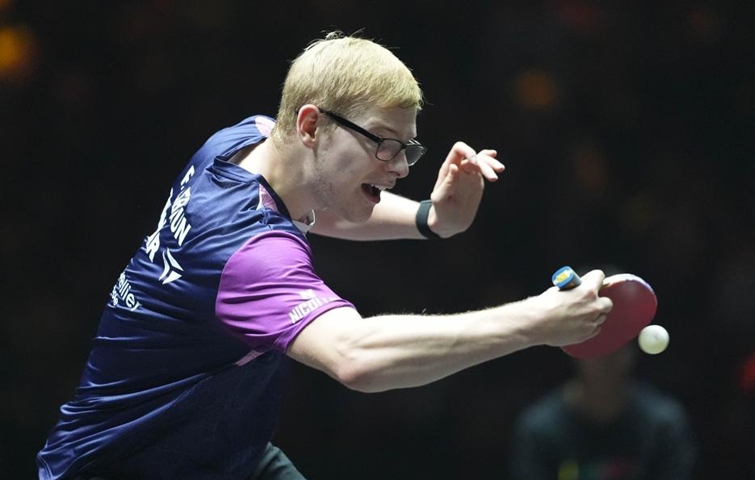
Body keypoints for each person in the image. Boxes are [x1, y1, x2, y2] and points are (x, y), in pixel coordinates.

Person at [37, 32, 613, 480]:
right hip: (125, 466)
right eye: (383, 142)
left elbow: (319, 199)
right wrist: (535, 323)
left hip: (220, 452)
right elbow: (357, 356)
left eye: (407, 146)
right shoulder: (248, 255)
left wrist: (429, 220)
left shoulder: (240, 143)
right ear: (312, 124)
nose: (402, 166)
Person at [510, 344, 697, 480]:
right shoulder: (539, 428)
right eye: (596, 346)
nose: (607, 356)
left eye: (618, 344)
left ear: (631, 352)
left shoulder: (664, 424)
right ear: (575, 352)